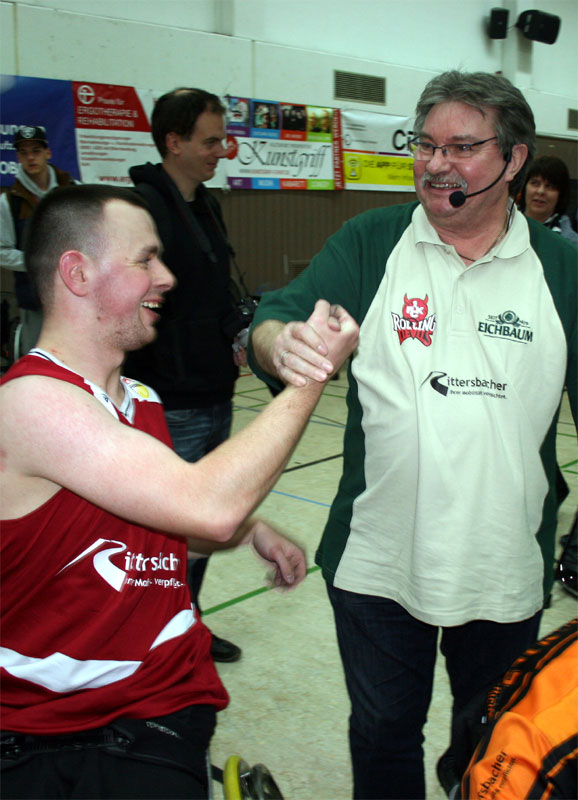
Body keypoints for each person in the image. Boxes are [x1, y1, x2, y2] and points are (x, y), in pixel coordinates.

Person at [248, 70, 577, 799]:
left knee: (490, 748)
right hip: (376, 565)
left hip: (502, 568)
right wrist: (281, 346)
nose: (435, 163)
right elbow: (277, 317)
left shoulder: (562, 270)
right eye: (425, 144)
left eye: (462, 147)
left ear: (515, 159)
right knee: (382, 736)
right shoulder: (372, 241)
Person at [0, 184, 358, 799]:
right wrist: (312, 373)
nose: (165, 276)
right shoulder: (31, 402)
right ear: (76, 273)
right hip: (57, 730)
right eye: (145, 259)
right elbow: (208, 507)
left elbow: (168, 513)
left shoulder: (140, 401)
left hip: (160, 705)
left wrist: (252, 530)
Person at [125, 88, 247, 663]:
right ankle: (155, 638)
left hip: (214, 390)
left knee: (194, 533)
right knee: (165, 535)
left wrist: (237, 333)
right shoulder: (142, 209)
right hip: (169, 399)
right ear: (173, 142)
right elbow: (134, 306)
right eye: (210, 140)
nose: (221, 151)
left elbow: (214, 290)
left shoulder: (207, 205)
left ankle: (184, 627)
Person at [0, 125, 78, 358]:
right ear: (18, 157)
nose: (30, 157)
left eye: (36, 150)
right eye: (24, 152)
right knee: (39, 364)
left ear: (48, 153)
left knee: (79, 361)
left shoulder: (73, 192)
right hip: (34, 302)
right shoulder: (8, 203)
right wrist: (38, 261)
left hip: (76, 298)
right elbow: (2, 252)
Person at [519, 155, 578, 246]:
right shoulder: (502, 224)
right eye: (535, 183)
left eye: (549, 186)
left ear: (560, 194)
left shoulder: (571, 244)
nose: (540, 191)